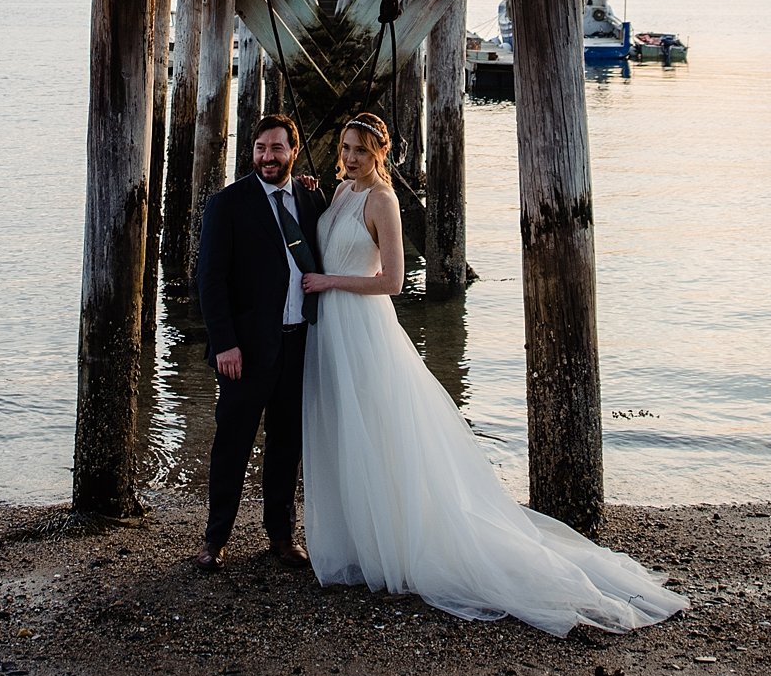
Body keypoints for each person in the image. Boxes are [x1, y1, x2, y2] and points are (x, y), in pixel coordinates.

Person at [299, 112, 686, 636]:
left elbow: (391, 281)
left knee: (380, 435)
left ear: (380, 155)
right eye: (345, 147)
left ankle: (397, 549)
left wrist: (328, 281)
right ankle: (360, 542)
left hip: (363, 328)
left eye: (361, 151)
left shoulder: (382, 201)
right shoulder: (340, 192)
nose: (349, 157)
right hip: (332, 330)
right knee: (348, 433)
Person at [192, 111, 328, 570]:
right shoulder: (228, 204)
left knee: (286, 446)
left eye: (277, 148)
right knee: (232, 444)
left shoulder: (310, 201)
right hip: (244, 351)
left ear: (293, 151)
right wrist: (225, 342)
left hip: (297, 345)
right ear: (252, 152)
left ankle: (281, 537)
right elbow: (210, 281)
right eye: (260, 148)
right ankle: (215, 540)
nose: (267, 157)